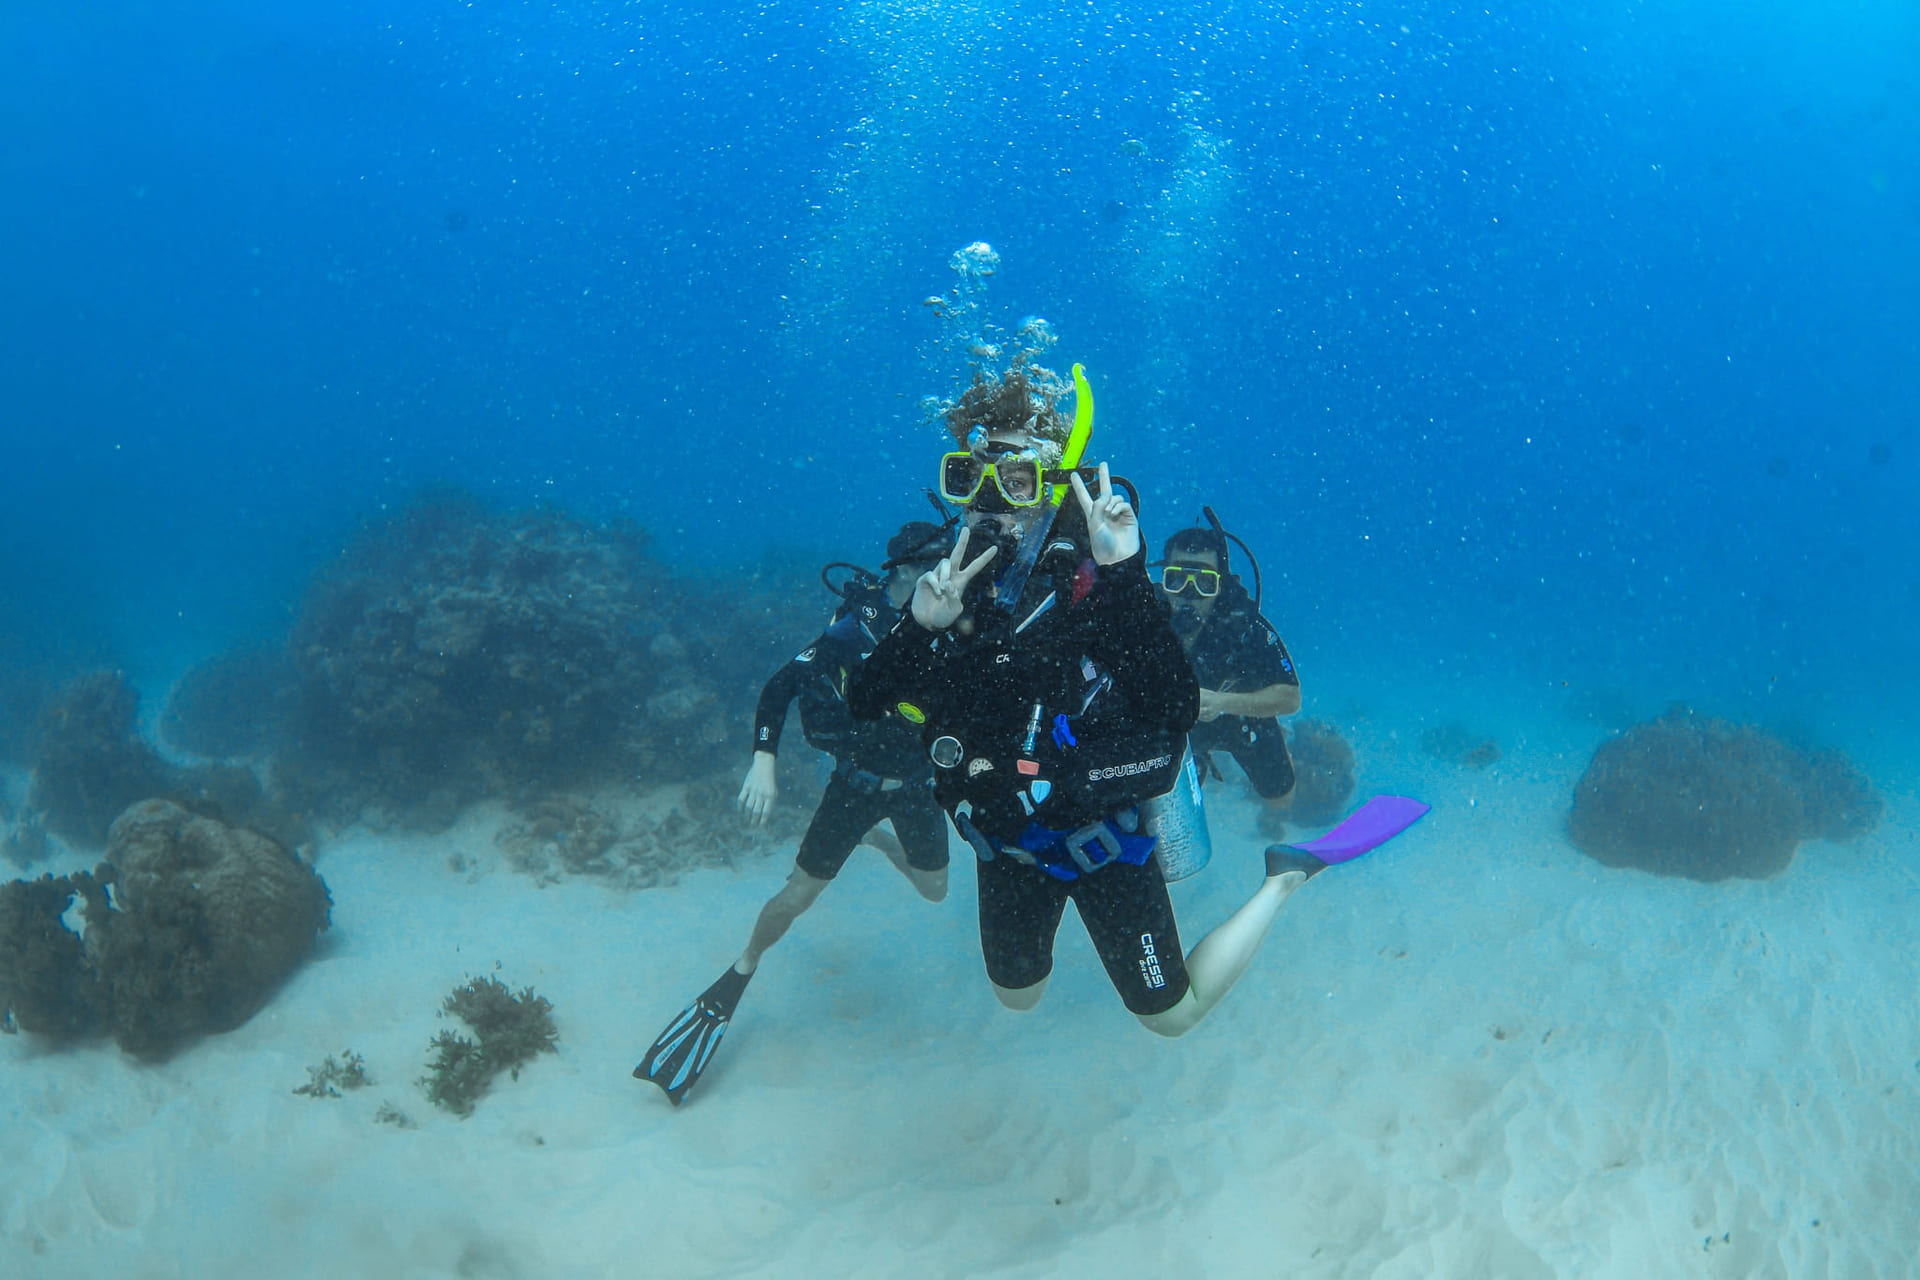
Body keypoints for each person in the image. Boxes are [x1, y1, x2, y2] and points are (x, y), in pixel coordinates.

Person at [847, 367, 1360, 1037]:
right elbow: (864, 701)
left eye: (1019, 480)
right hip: (1005, 845)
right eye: (971, 478)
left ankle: (1284, 878)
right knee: (1017, 997)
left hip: (1105, 843)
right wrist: (919, 626)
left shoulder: (1092, 583)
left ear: (1054, 483)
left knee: (1171, 1017)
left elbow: (1176, 709)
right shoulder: (949, 587)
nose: (992, 500)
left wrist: (1121, 576)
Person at [634, 520, 956, 1104]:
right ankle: (744, 964)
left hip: (914, 783)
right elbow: (779, 686)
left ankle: (879, 844)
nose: (947, 577)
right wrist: (764, 761)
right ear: (906, 570)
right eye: (935, 566)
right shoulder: (855, 629)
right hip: (854, 785)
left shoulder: (954, 624)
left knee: (935, 890)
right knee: (796, 898)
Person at [1157, 521, 1301, 812]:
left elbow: (1291, 698)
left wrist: (1224, 703)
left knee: (1280, 793)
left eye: (1205, 582)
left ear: (1220, 585)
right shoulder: (1144, 615)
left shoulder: (1244, 626)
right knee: (1162, 798)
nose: (1189, 593)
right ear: (1163, 579)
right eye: (1177, 579)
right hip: (1169, 722)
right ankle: (1196, 762)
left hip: (1237, 718)